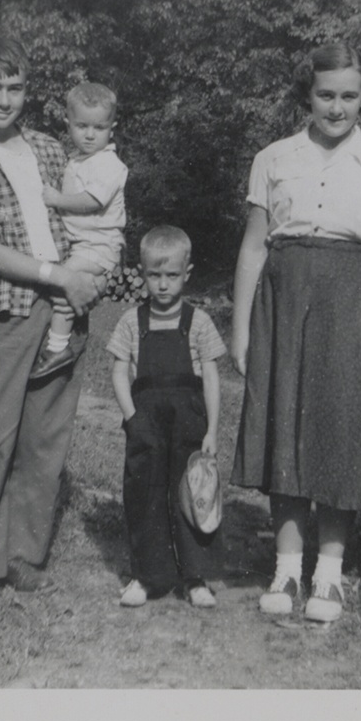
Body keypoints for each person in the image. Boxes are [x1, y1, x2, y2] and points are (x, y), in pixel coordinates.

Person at [230, 42, 361, 623]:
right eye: (326, 94)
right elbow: (255, 246)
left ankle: (328, 577)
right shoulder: (273, 157)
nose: (337, 108)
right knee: (284, 422)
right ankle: (286, 567)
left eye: (349, 96)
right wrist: (239, 329)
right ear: (306, 95)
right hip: (283, 297)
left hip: (354, 301)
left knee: (342, 429)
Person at [0, 36, 103, 595]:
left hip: (66, 308)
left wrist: (88, 279)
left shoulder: (52, 150)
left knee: (45, 437)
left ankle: (24, 556)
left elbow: (90, 219)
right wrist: (59, 276)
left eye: (14, 87)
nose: (4, 99)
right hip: (7, 307)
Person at [105, 226, 228, 609]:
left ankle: (195, 577)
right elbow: (118, 371)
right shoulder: (131, 321)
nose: (162, 285)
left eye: (171, 276)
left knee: (192, 493)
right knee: (145, 493)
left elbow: (210, 375)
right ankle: (148, 576)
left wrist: (211, 427)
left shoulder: (199, 322)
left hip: (188, 419)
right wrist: (131, 417)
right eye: (154, 276)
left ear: (186, 274)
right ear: (141, 274)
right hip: (146, 421)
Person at [32, 82, 129, 379]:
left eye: (99, 127)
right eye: (82, 126)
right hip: (84, 244)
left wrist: (57, 199)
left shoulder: (109, 164)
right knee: (67, 286)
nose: (89, 134)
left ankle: (58, 346)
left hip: (99, 245)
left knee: (67, 280)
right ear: (68, 125)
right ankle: (60, 340)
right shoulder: (76, 160)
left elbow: (92, 201)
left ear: (112, 128)